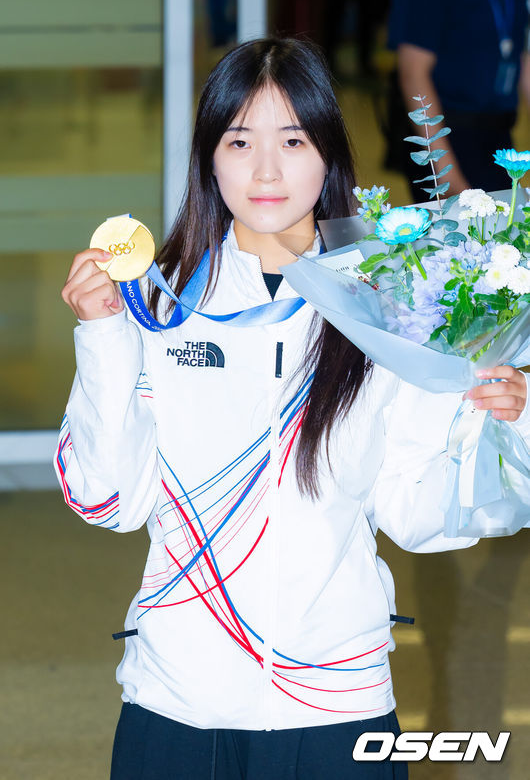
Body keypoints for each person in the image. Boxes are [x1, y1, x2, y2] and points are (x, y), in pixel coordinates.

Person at [56, 38, 530, 780]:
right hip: (178, 699)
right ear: (209, 157)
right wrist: (103, 336)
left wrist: (508, 423)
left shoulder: (392, 306)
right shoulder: (154, 303)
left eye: (293, 140)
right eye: (240, 141)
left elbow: (418, 515)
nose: (267, 170)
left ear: (328, 153)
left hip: (336, 706)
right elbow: (109, 497)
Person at [387, 0, 530, 200]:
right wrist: (446, 174)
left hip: (499, 136)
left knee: (504, 215)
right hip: (444, 136)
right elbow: (413, 73)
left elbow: (522, 58)